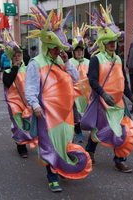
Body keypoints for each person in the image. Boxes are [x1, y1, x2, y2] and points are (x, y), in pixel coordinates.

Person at [23, 7, 92, 192]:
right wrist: (35, 105)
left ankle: (61, 166)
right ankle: (52, 176)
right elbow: (29, 88)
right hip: (46, 112)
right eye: (55, 47)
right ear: (47, 45)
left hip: (66, 113)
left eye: (60, 47)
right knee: (49, 143)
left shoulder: (62, 62)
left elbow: (76, 79)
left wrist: (67, 61)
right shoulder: (35, 63)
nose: (57, 50)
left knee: (63, 141)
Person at [84, 4, 133, 173]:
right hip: (103, 102)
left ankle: (119, 160)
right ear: (103, 42)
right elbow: (92, 80)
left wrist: (131, 96)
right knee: (99, 131)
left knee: (122, 130)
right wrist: (103, 94)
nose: (113, 44)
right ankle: (89, 152)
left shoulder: (119, 59)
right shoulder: (96, 59)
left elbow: (124, 82)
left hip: (119, 103)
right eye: (109, 41)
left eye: (114, 41)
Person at [1, 29, 37, 159]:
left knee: (29, 124)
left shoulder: (28, 69)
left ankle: (29, 141)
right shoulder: (8, 71)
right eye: (15, 56)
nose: (17, 57)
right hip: (14, 103)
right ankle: (21, 147)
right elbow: (7, 82)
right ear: (11, 57)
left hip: (28, 102)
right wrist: (15, 68)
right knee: (18, 125)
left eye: (19, 55)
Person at [69, 23, 90, 143]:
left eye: (81, 51)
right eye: (77, 51)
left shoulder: (88, 61)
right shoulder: (70, 62)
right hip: (75, 92)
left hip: (86, 93)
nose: (79, 52)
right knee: (76, 114)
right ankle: (79, 132)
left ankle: (88, 129)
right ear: (74, 52)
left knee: (87, 112)